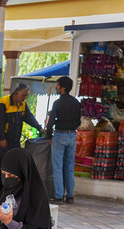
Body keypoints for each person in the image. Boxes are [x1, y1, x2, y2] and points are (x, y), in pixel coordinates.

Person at [0, 83, 45, 189]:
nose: (25, 98)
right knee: (2, 166)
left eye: (26, 96)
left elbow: (29, 118)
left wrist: (40, 128)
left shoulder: (22, 105)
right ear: (16, 93)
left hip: (15, 141)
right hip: (3, 142)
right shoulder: (3, 102)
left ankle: (12, 187)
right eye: (24, 95)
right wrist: (2, 138)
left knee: (15, 164)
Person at [47, 76, 82, 204]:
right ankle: (70, 196)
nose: (56, 87)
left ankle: (59, 196)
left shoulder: (57, 103)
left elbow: (50, 123)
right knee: (69, 167)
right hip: (72, 136)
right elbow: (78, 121)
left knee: (57, 167)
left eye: (57, 85)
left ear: (63, 88)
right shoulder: (76, 102)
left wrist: (49, 137)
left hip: (59, 136)